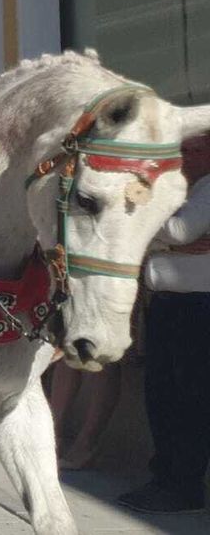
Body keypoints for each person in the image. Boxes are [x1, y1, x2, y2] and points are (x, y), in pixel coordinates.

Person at [118, 134, 210, 514]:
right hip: (168, 307)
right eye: (183, 149)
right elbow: (155, 236)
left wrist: (153, 231)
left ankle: (181, 485)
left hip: (195, 309)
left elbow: (179, 231)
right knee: (161, 396)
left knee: (186, 399)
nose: (187, 156)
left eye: (197, 149)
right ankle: (165, 478)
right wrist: (163, 244)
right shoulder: (181, 189)